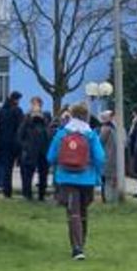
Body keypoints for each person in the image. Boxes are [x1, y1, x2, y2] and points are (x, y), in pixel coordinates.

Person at [47, 102, 107, 259]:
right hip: (87, 179)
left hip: (66, 178)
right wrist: (96, 173)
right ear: (86, 116)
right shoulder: (91, 135)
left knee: (73, 212)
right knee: (83, 210)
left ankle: (77, 248)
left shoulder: (62, 134)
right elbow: (100, 158)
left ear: (71, 115)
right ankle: (82, 243)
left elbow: (50, 157)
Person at [0, 91, 25, 198]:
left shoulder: (2, 111)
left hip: (4, 142)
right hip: (16, 142)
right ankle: (26, 190)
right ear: (15, 100)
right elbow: (21, 127)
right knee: (23, 167)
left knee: (7, 168)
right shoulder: (17, 111)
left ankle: (6, 191)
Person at [18, 104, 51, 201]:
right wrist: (26, 147)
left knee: (42, 174)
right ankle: (28, 194)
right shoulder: (27, 124)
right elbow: (19, 137)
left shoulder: (44, 124)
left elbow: (48, 137)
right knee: (28, 174)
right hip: (31, 152)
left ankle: (41, 194)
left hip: (42, 152)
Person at [96, 110, 120, 203]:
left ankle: (110, 199)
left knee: (110, 180)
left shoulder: (113, 129)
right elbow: (100, 143)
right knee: (107, 180)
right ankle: (107, 199)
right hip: (108, 159)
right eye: (112, 116)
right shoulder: (106, 129)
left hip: (111, 159)